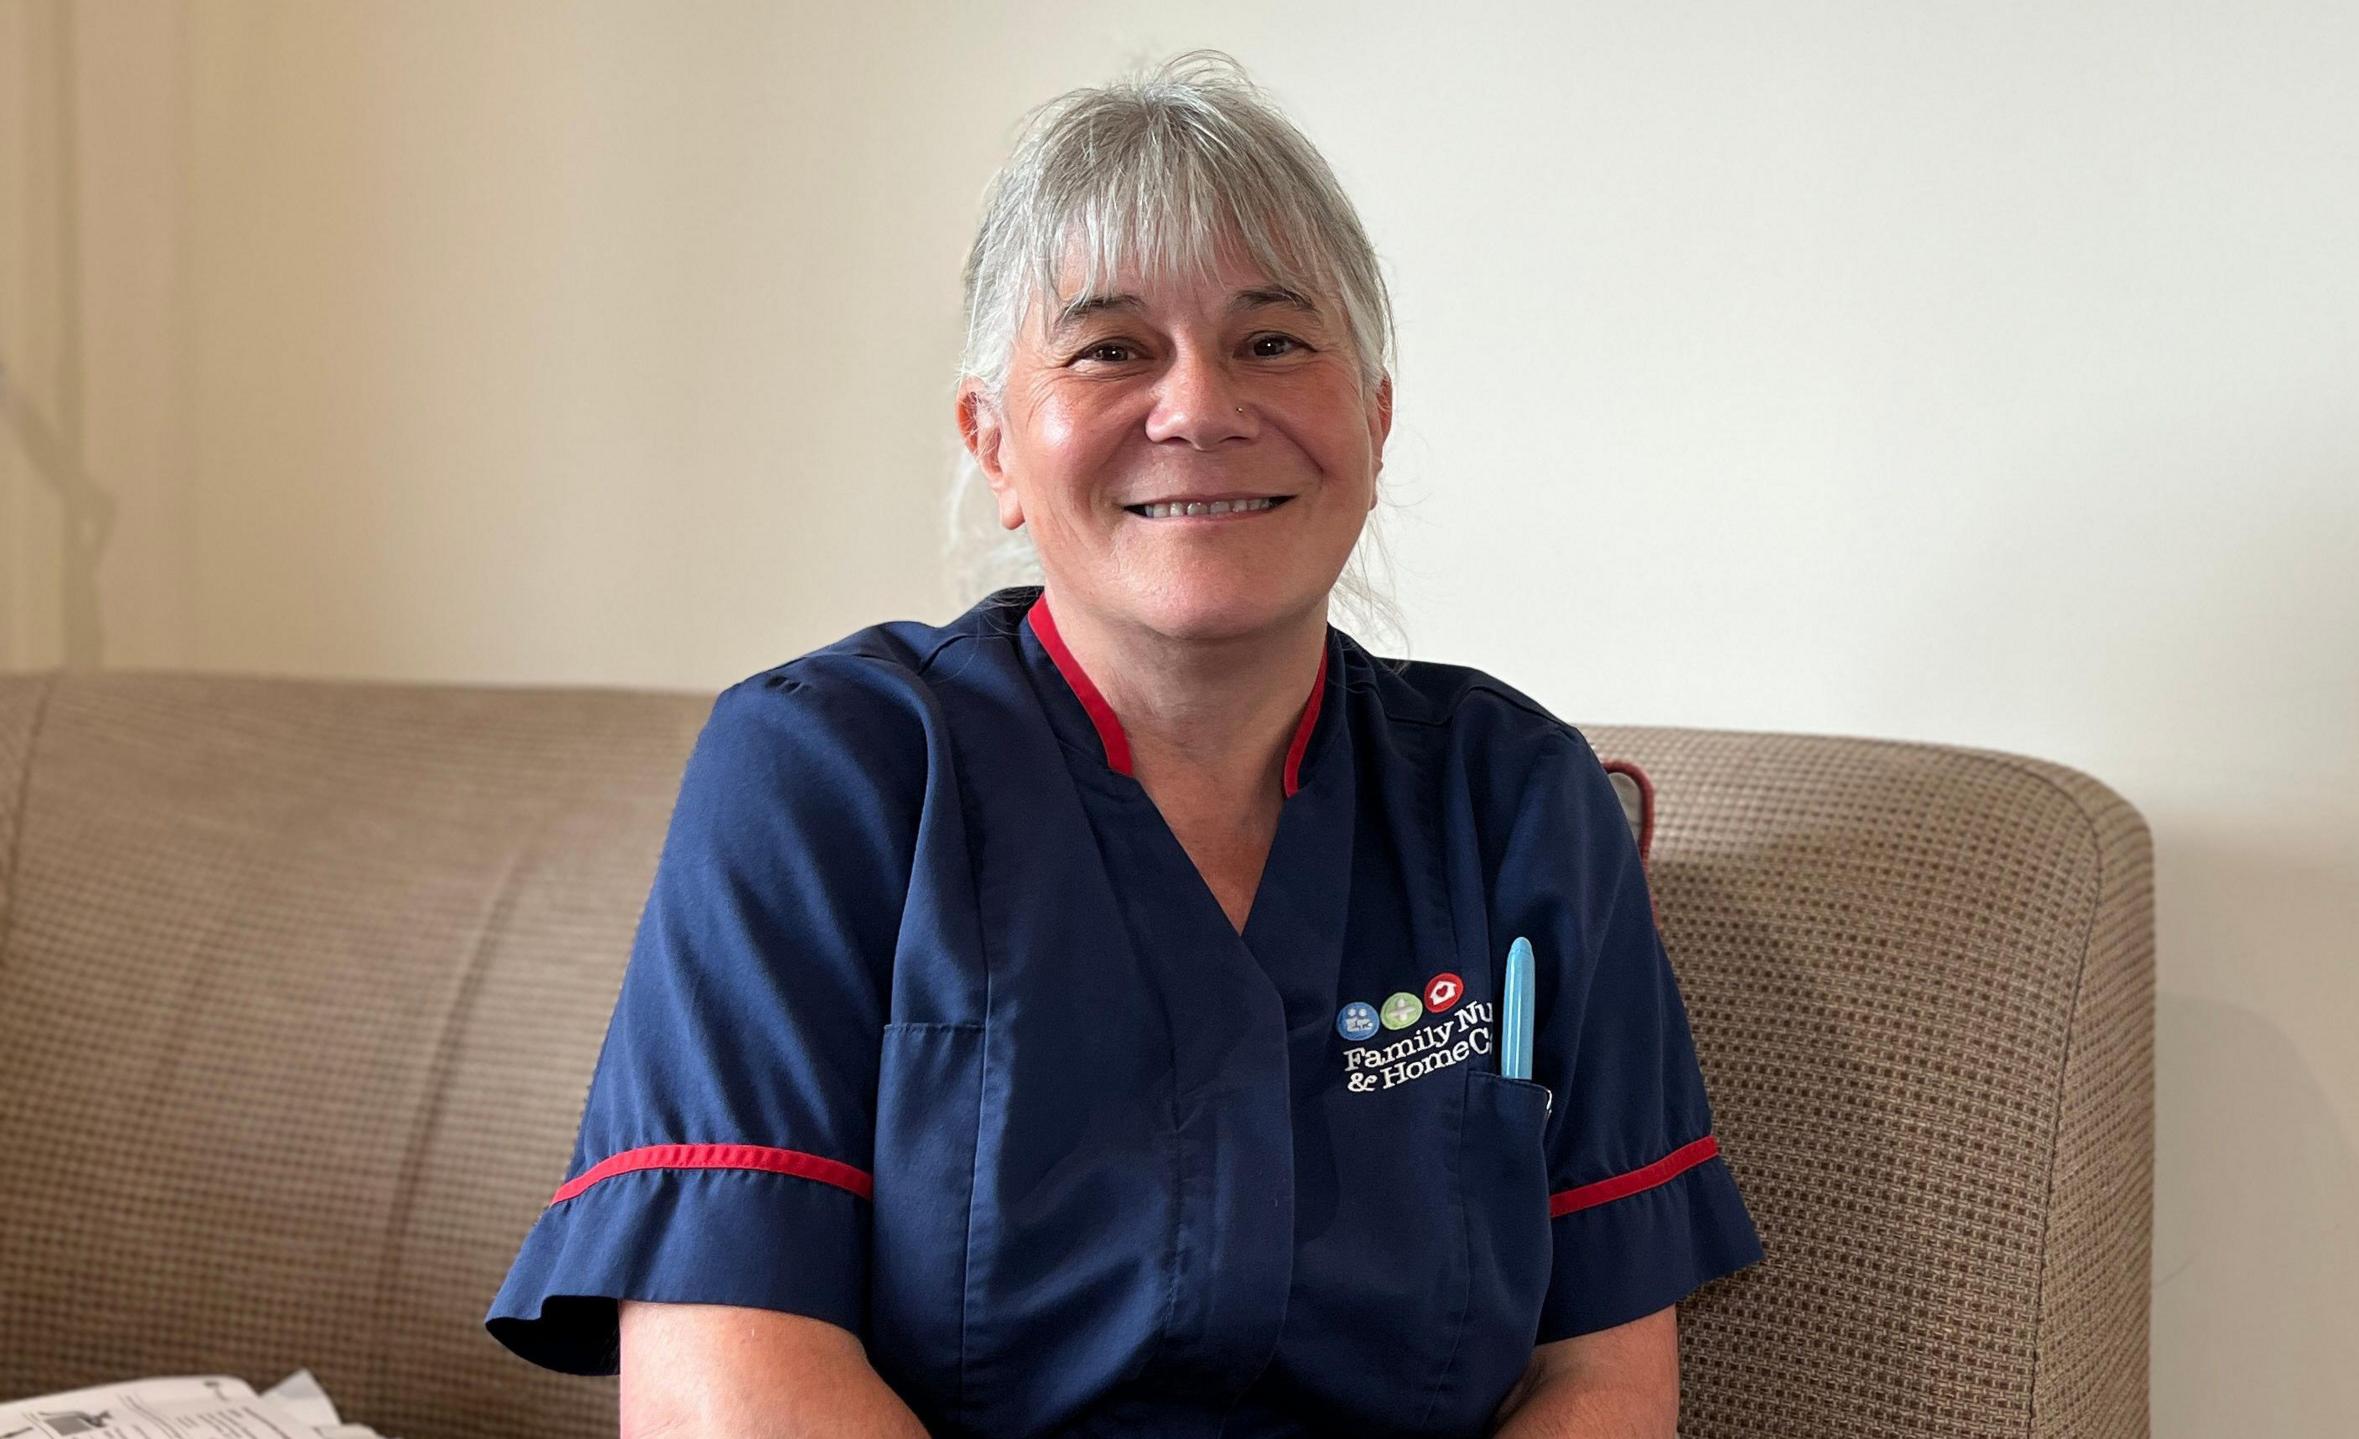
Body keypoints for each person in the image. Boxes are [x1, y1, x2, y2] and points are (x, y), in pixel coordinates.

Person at [484, 49, 1763, 1437]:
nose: (1202, 407)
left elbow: (1606, 1387)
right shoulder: (822, 772)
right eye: (1111, 348)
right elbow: (725, 1389)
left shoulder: (1518, 802)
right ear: (993, 444)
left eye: (1275, 340)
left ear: (1375, 421)